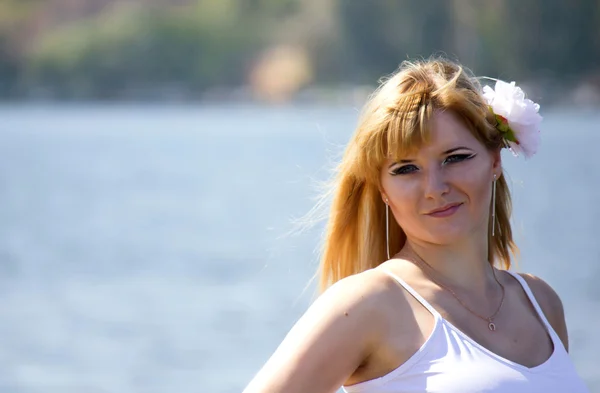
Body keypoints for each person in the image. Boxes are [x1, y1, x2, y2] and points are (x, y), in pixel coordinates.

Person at [242, 58, 590, 393]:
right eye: (406, 169)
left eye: (455, 158)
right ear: (383, 189)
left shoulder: (541, 304)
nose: (434, 187)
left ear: (494, 160)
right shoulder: (368, 304)